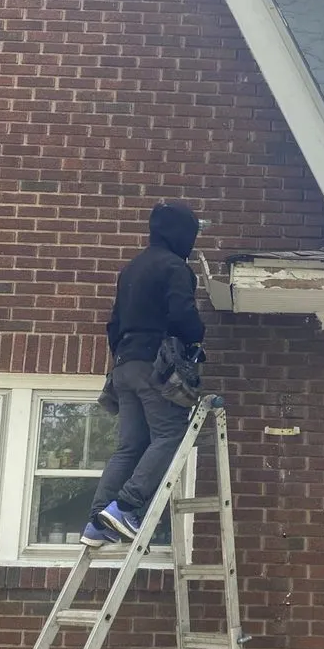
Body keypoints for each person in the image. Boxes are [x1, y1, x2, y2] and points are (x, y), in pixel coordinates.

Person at [80, 201, 205, 548]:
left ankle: (97, 521)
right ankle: (126, 507)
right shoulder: (174, 267)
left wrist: (126, 355)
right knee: (171, 434)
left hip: (124, 366)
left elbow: (113, 324)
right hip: (155, 366)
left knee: (130, 445)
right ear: (182, 234)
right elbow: (182, 314)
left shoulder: (130, 269)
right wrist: (197, 336)